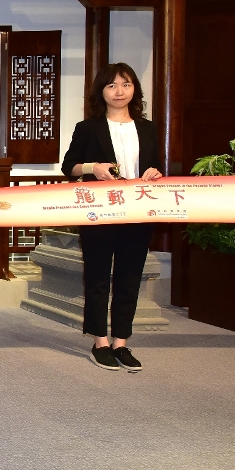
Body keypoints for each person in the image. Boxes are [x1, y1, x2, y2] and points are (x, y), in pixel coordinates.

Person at [61, 62, 162, 373]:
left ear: (135, 90)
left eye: (126, 84)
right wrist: (93, 168)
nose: (120, 91)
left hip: (138, 211)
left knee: (130, 278)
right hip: (99, 212)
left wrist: (155, 172)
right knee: (97, 277)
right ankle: (100, 341)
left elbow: (157, 165)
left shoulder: (147, 128)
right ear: (101, 91)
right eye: (112, 85)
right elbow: (69, 167)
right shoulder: (88, 128)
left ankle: (121, 341)